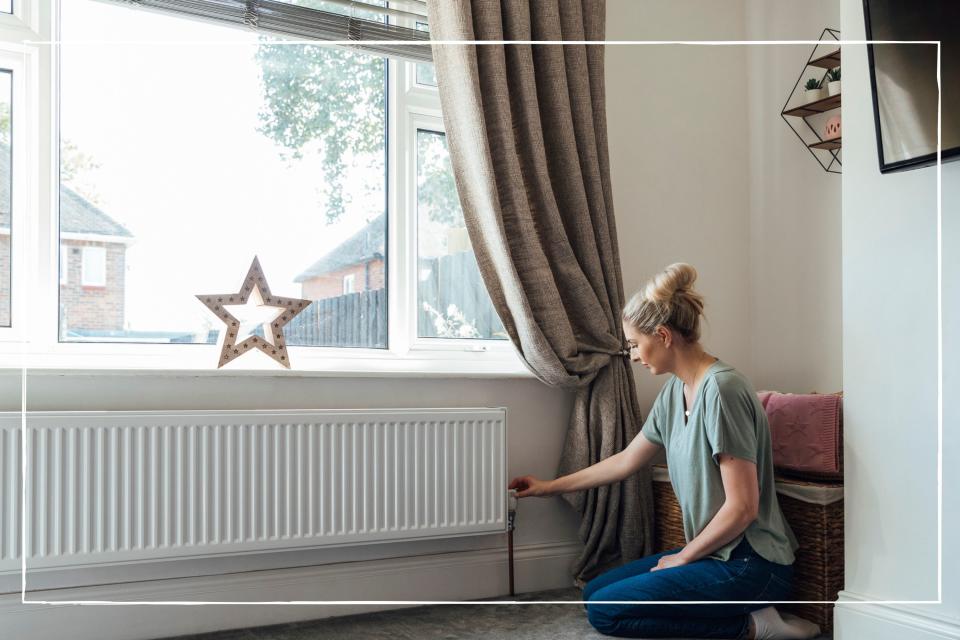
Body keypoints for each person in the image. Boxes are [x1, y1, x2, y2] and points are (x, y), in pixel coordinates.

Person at [508, 263, 822, 640]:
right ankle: (744, 612)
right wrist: (547, 487)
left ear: (662, 335)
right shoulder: (674, 393)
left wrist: (683, 557)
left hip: (750, 563)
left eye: (635, 344)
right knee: (594, 594)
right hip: (714, 553)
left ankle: (757, 626)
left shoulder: (723, 391)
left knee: (607, 614)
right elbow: (627, 460)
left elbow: (743, 507)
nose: (634, 355)